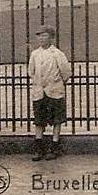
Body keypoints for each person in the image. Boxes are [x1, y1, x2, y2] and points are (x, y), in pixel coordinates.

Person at [28, 26, 71, 160]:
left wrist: (56, 82)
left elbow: (66, 72)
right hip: (39, 91)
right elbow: (31, 71)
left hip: (54, 90)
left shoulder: (57, 53)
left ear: (51, 37)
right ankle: (38, 149)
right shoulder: (34, 54)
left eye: (44, 36)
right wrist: (39, 83)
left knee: (56, 120)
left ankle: (54, 147)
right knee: (39, 121)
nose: (41, 38)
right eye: (39, 36)